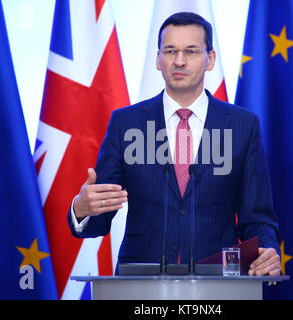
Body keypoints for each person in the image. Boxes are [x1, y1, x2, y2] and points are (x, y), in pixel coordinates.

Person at [68, 12, 281, 276]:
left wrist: (268, 250)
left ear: (210, 59)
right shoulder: (127, 123)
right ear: (158, 59)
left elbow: (257, 217)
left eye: (191, 51)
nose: (179, 61)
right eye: (170, 51)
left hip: (217, 281)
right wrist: (81, 209)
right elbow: (97, 220)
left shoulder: (242, 125)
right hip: (140, 281)